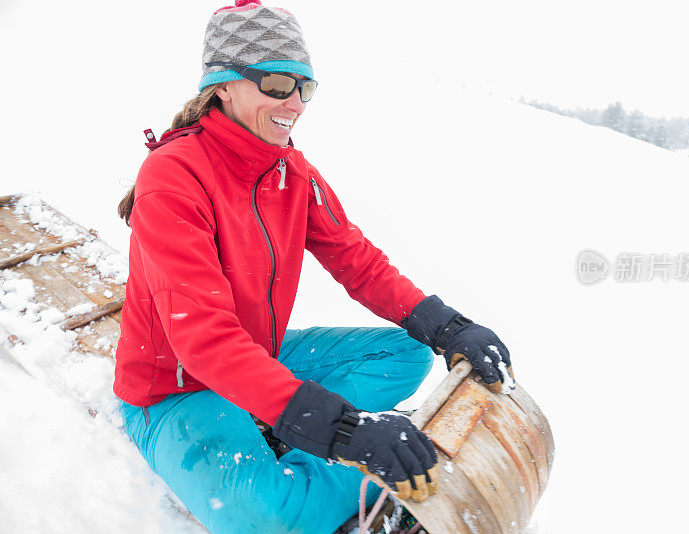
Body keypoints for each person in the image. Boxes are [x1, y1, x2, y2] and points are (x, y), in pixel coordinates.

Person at [112, 1, 514, 532]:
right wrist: (346, 432)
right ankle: (332, 459)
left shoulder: (290, 171)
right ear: (223, 85)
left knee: (406, 353)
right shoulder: (173, 177)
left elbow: (358, 262)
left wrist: (447, 325)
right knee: (272, 517)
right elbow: (203, 339)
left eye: (306, 87)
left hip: (257, 356)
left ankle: (298, 432)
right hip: (178, 389)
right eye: (279, 84)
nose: (296, 103)